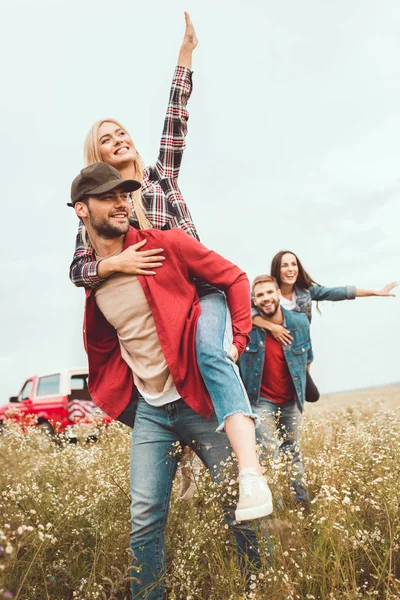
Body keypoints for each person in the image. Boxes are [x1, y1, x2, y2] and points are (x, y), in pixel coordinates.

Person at [69, 12, 262, 501]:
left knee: (210, 354)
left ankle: (250, 465)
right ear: (98, 158)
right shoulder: (104, 212)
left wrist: (186, 55)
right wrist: (112, 265)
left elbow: (176, 121)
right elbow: (79, 270)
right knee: (152, 377)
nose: (120, 140)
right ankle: (184, 448)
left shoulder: (160, 179)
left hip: (202, 292)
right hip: (163, 309)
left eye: (122, 132)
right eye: (107, 139)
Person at [69, 163, 273, 599]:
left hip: (198, 400)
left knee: (236, 503)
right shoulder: (95, 279)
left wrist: (235, 341)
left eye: (126, 195)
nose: (123, 203)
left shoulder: (166, 245)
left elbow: (234, 277)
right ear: (81, 210)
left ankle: (260, 586)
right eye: (110, 197)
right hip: (152, 411)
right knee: (144, 518)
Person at [240, 275, 313, 509]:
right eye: (260, 295)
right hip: (261, 401)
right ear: (254, 300)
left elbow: (307, 358)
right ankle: (278, 509)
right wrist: (270, 327)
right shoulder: (247, 326)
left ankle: (302, 508)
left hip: (290, 401)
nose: (266, 298)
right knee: (269, 454)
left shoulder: (299, 323)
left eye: (270, 293)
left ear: (279, 293)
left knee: (293, 453)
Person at [253, 250, 397, 346]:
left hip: (299, 348)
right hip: (269, 348)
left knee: (311, 393)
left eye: (294, 264)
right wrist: (273, 328)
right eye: (285, 265)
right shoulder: (266, 292)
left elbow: (338, 292)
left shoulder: (305, 292)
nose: (291, 269)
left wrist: (376, 292)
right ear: (277, 269)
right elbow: (247, 311)